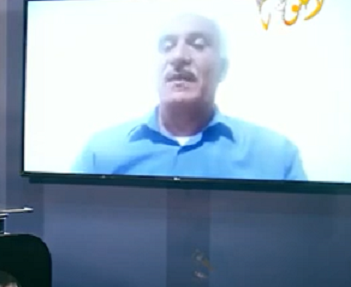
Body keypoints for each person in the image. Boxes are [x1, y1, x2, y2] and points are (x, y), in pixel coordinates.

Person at [71, 13, 307, 181]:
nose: (178, 57)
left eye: (198, 44)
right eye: (167, 46)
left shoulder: (276, 157)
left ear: (223, 69)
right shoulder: (100, 154)